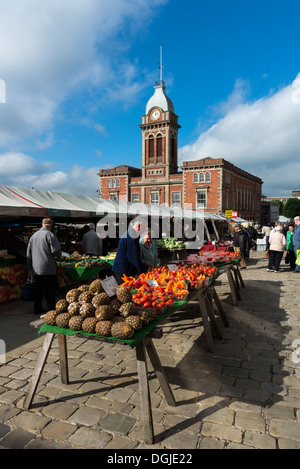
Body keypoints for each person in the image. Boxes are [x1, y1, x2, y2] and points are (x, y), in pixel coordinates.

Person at [26, 218, 62, 315]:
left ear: (42, 225)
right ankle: (51, 310)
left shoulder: (33, 236)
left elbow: (28, 254)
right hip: (48, 268)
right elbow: (56, 251)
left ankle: (37, 310)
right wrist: (59, 256)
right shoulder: (50, 235)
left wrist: (29, 267)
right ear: (50, 226)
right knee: (50, 291)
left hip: (36, 269)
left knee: (38, 291)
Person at [112, 218, 148, 284]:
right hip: (123, 271)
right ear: (138, 226)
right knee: (125, 292)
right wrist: (145, 268)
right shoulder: (132, 236)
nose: (143, 231)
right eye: (144, 228)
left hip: (123, 269)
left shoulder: (131, 233)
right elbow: (133, 258)